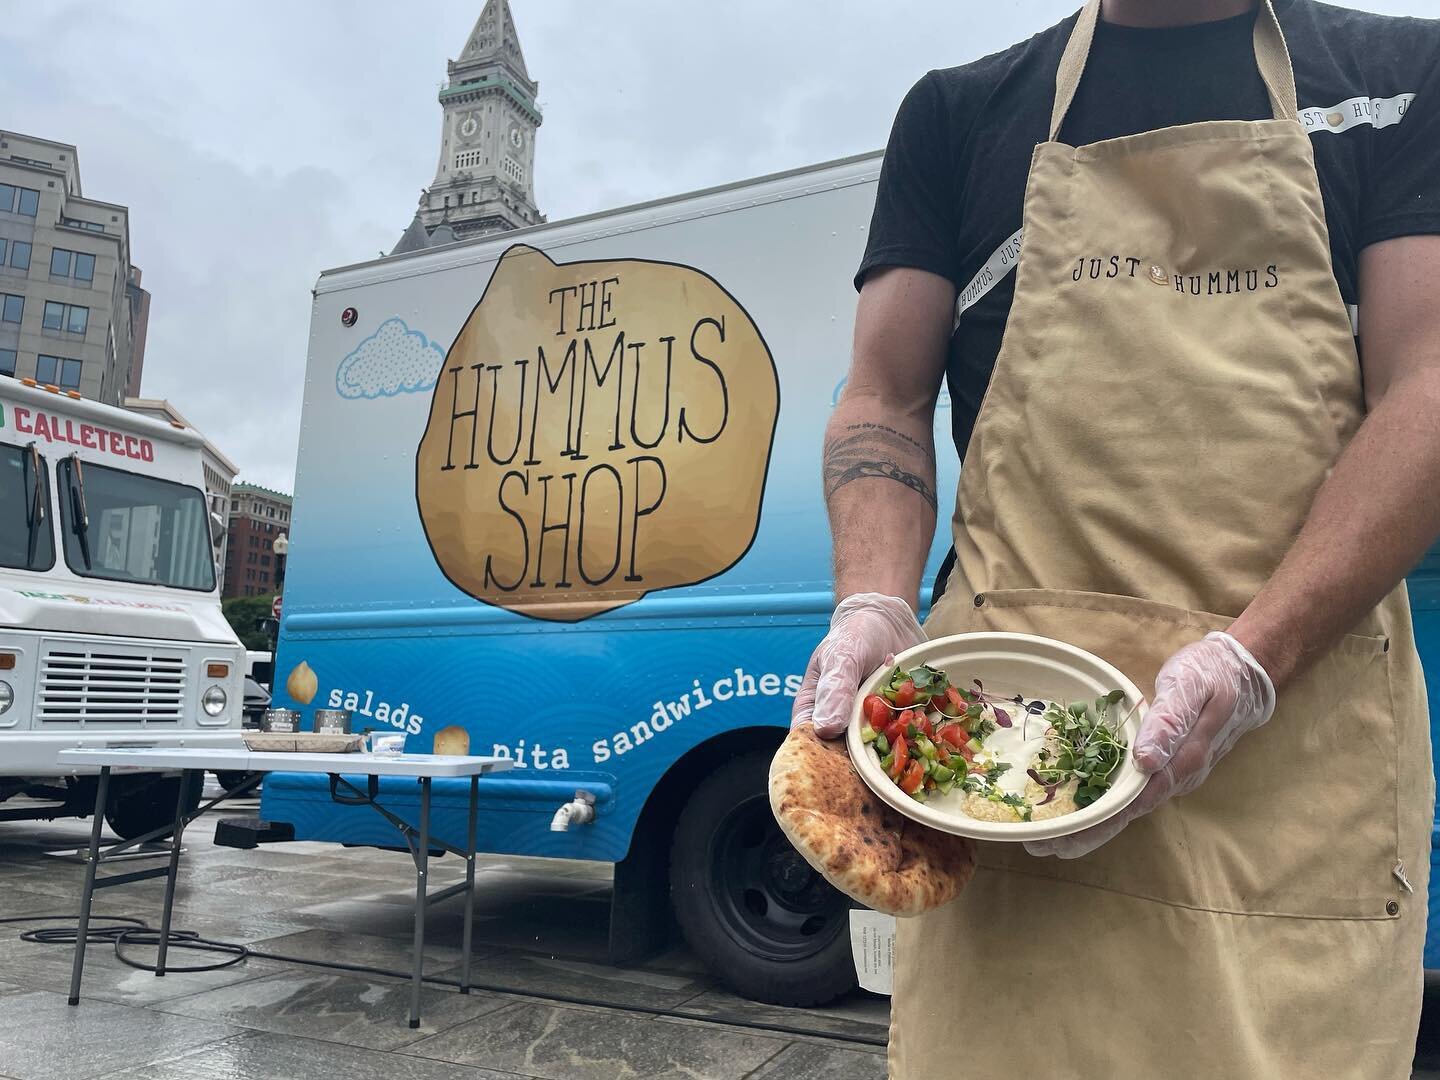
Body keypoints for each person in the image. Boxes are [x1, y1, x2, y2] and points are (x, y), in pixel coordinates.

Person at [792, 0, 1440, 1075]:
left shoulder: (1399, 75)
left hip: (1287, 781)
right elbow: (884, 399)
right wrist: (872, 601)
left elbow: (1424, 388)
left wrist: (1252, 660)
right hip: (999, 782)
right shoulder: (958, 114)